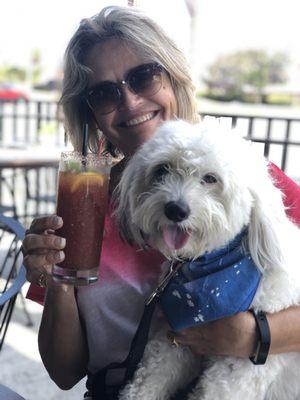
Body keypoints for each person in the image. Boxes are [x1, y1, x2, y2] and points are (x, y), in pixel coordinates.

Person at [22, 5, 300, 400]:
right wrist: (57, 281)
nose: (131, 102)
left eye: (145, 76)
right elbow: (64, 373)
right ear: (91, 113)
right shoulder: (84, 202)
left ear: (173, 77)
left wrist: (256, 335)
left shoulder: (247, 176)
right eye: (105, 93)